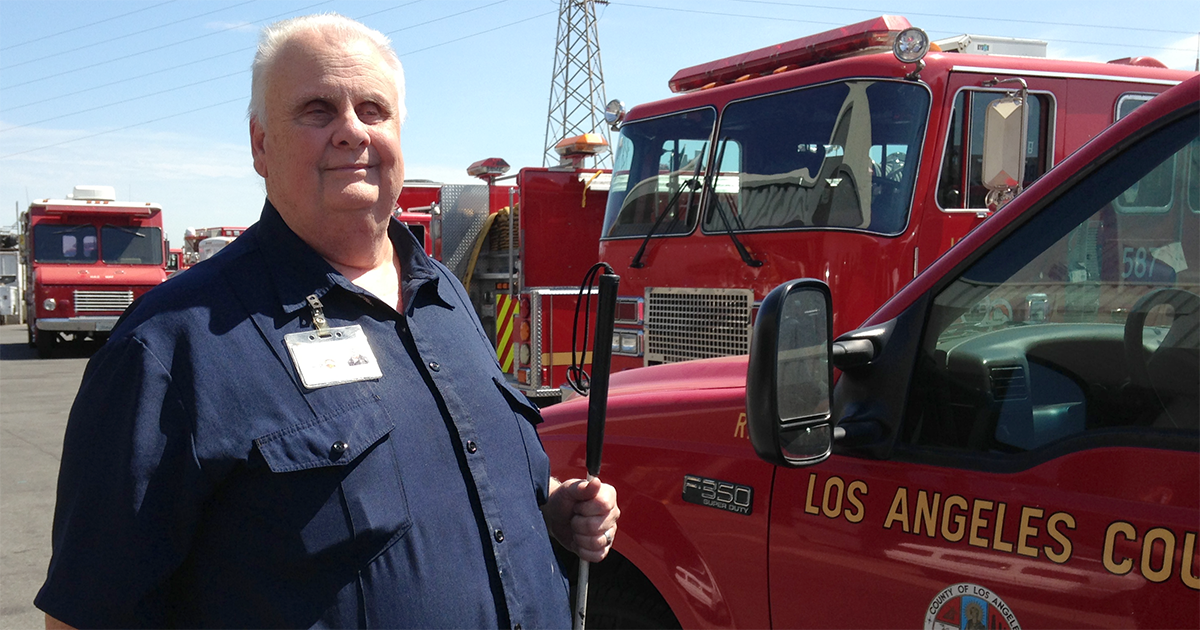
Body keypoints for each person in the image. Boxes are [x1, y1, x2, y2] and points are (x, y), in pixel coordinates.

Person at [35, 13, 618, 629]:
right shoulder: (170, 348)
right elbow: (86, 615)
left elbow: (457, 482)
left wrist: (549, 510)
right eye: (317, 110)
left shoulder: (443, 294)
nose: (351, 132)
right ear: (261, 145)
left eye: (373, 109)